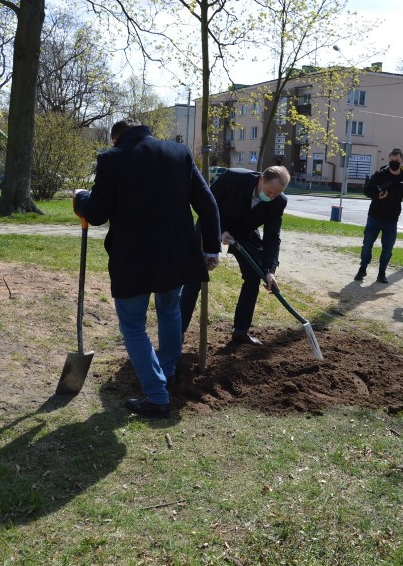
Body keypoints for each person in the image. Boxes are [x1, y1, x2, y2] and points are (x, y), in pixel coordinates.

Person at [73, 118, 221, 419]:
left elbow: (98, 213)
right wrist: (211, 248)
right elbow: (207, 202)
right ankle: (166, 371)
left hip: (134, 259)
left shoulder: (111, 158)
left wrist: (81, 198)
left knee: (132, 325)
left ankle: (156, 396)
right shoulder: (179, 152)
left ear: (116, 138)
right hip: (174, 255)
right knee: (169, 312)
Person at [181, 165, 290, 346]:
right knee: (195, 275)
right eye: (269, 192)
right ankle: (178, 331)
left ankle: (241, 331)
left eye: (275, 195)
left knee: (254, 276)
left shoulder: (279, 202)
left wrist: (270, 270)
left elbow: (272, 238)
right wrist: (220, 231)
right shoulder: (234, 178)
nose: (271, 197)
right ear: (261, 179)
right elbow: (208, 204)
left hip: (244, 231)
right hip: (212, 224)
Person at [353, 148, 403, 283]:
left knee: (387, 249)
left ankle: (382, 273)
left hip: (391, 220)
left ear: (402, 161)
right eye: (392, 160)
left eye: (397, 160)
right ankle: (362, 269)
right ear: (389, 159)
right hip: (374, 217)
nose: (394, 162)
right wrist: (377, 195)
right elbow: (366, 190)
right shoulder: (380, 175)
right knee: (367, 245)